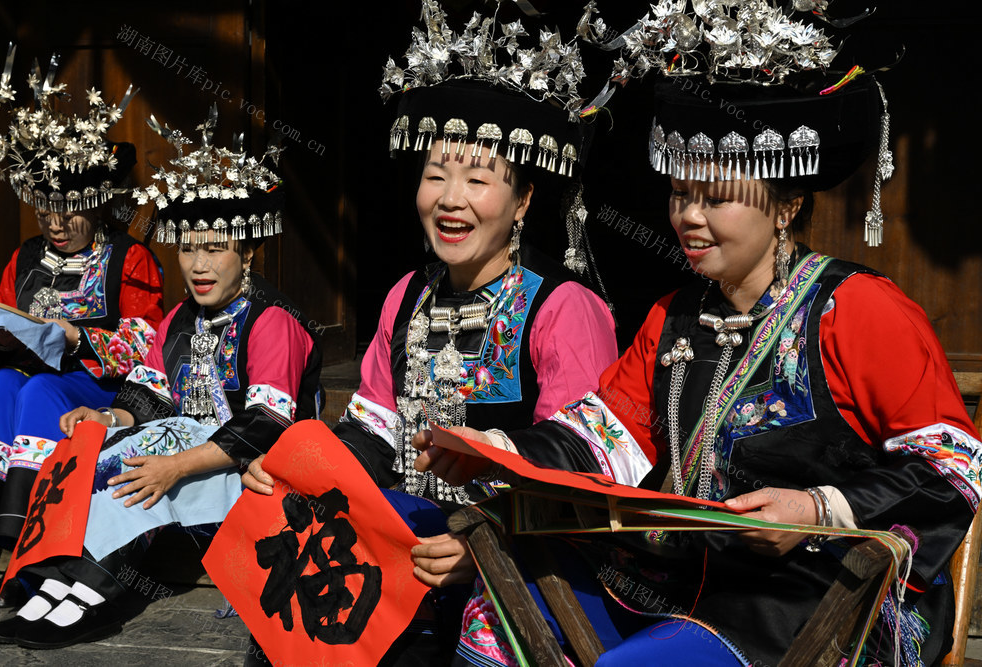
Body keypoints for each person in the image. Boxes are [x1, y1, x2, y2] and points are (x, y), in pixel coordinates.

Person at [412, 4, 982, 666]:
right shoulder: (673, 316)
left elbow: (956, 469)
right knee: (499, 608)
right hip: (678, 578)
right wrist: (499, 447)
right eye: (681, 194)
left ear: (787, 202)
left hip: (815, 598)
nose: (688, 216)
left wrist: (816, 506)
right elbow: (601, 437)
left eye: (715, 198)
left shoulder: (857, 310)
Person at [241, 3, 618, 664]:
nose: (450, 198)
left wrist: (482, 544)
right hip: (411, 532)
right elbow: (373, 433)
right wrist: (297, 472)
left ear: (525, 199)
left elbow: (577, 476)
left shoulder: (564, 307)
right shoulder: (405, 296)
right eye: (436, 174)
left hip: (524, 549)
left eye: (477, 179)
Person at [0, 109, 323, 650]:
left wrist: (174, 465)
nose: (198, 264)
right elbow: (147, 394)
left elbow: (267, 422)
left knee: (175, 439)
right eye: (188, 247)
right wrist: (106, 416)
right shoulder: (178, 322)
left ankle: (89, 593)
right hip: (187, 469)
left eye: (215, 247)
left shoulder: (272, 321)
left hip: (257, 476)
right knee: (108, 440)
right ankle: (60, 580)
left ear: (248, 252)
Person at [0, 45, 163, 607]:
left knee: (35, 389)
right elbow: (7, 314)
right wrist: (2, 332)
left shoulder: (129, 258)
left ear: (96, 202)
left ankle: (30, 551)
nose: (57, 225)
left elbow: (150, 341)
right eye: (45, 211)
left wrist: (77, 335)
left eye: (71, 211)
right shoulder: (25, 256)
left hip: (97, 383)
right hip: (31, 374)